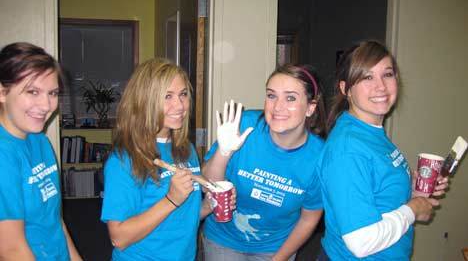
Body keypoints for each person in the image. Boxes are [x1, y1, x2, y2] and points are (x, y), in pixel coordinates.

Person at [317, 40, 449, 260]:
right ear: (345, 89)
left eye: (387, 74)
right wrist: (413, 209)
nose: (380, 86)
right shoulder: (348, 149)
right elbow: (361, 242)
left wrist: (416, 191)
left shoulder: (371, 131)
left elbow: (378, 193)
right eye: (367, 77)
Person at [202, 64, 327, 260]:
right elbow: (207, 187)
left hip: (276, 247)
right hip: (223, 239)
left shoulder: (320, 157)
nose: (278, 107)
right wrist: (224, 152)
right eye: (271, 95)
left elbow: (309, 219)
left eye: (291, 98)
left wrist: (279, 259)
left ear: (311, 107)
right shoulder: (244, 126)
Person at [100, 58, 217, 260]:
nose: (179, 105)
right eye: (167, 96)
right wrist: (171, 199)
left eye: (183, 95)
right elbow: (118, 238)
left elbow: (182, 217)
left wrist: (208, 206)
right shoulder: (123, 159)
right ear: (145, 100)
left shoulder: (186, 150)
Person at [0, 42, 81, 260]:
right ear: (2, 92)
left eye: (53, 93)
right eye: (33, 91)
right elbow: (11, 250)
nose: (46, 105)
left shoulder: (39, 140)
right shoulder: (3, 156)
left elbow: (54, 220)